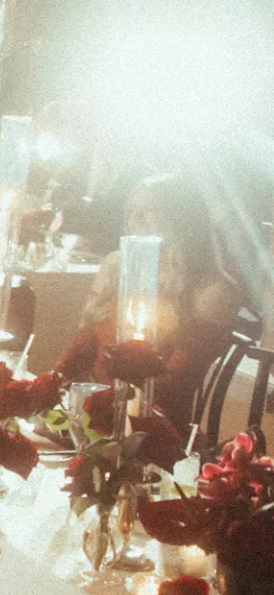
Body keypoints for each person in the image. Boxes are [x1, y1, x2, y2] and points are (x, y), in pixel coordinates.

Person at [53, 174, 245, 429]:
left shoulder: (211, 291)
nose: (134, 221)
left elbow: (173, 386)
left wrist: (102, 402)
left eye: (148, 212)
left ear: (183, 223)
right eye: (132, 211)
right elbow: (84, 347)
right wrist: (51, 388)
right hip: (97, 415)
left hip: (153, 430)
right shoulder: (120, 269)